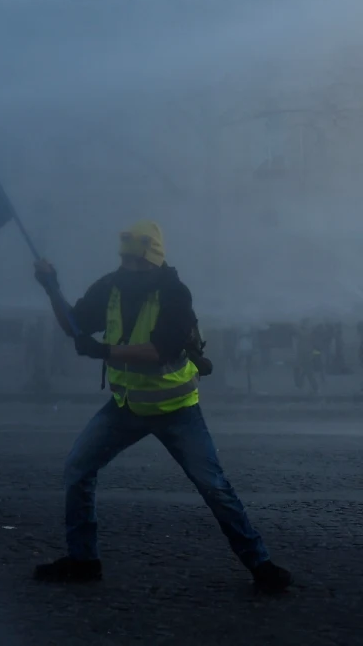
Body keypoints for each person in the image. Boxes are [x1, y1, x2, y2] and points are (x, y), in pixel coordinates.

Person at [31, 221, 292, 593]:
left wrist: (104, 350)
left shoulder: (175, 293)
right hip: (127, 405)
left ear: (153, 260)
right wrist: (51, 288)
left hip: (177, 409)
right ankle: (83, 560)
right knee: (77, 470)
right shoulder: (110, 286)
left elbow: (159, 352)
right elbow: (75, 326)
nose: (130, 268)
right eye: (125, 260)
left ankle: (261, 565)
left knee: (214, 487)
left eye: (137, 261)